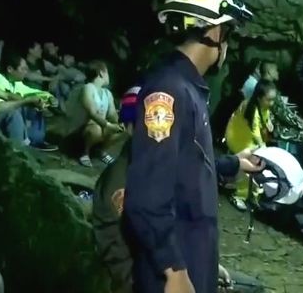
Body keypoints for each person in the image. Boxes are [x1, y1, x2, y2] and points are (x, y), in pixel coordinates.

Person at [123, 0, 257, 293]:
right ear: (214, 31)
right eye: (228, 32)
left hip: (189, 254)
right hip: (170, 272)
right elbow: (147, 196)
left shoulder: (189, 88)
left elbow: (188, 166)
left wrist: (234, 163)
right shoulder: (169, 91)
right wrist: (174, 270)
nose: (227, 43)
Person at [93, 86, 264, 293]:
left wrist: (235, 163)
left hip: (170, 269)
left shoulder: (155, 162)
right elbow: (135, 249)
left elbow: (196, 169)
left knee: (252, 287)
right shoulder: (122, 181)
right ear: (129, 127)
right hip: (142, 281)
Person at [224, 80, 277, 210]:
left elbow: (265, 121)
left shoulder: (263, 107)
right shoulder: (251, 107)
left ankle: (251, 192)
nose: (271, 103)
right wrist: (262, 146)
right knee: (250, 163)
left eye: (273, 100)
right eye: (269, 100)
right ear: (259, 98)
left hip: (248, 138)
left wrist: (269, 124)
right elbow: (255, 130)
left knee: (257, 160)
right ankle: (239, 195)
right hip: (237, 137)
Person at [0, 52, 59, 151]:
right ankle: (22, 146)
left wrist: (49, 97)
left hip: (8, 119)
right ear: (10, 69)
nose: (26, 72)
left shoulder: (16, 83)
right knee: (21, 106)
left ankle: (35, 141)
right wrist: (26, 101)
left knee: (37, 104)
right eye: (23, 69)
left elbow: (34, 92)